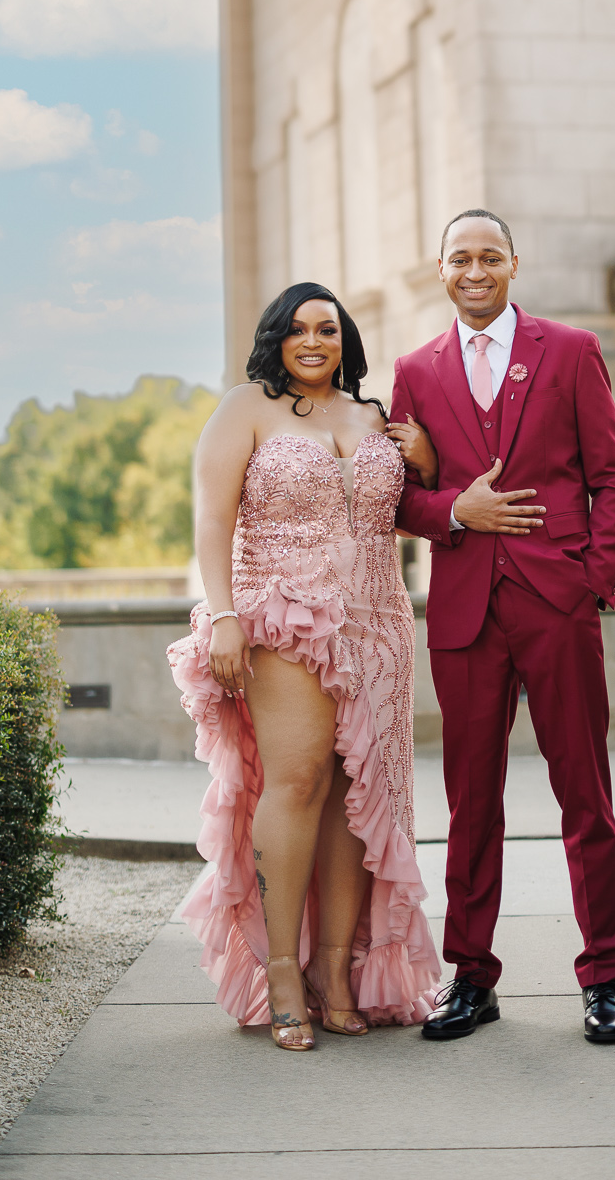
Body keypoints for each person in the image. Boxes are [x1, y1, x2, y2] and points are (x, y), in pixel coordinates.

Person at [168, 282, 440, 1049]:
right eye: (296, 330)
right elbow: (212, 518)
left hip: (378, 621)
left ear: (344, 338)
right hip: (282, 613)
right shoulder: (245, 409)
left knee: (359, 794)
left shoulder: (373, 418)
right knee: (296, 781)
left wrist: (425, 463)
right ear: (275, 340)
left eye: (326, 328)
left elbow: (406, 510)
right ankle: (282, 970)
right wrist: (224, 616)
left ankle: (336, 969)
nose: (312, 341)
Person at [391, 210, 615, 1046]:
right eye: (459, 258)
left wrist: (590, 581)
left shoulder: (569, 351)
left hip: (555, 604)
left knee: (584, 794)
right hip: (465, 610)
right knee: (470, 802)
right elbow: (398, 498)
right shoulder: (414, 372)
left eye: (488, 256)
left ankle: (604, 977)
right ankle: (470, 977)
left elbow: (614, 477)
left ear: (512, 264)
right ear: (440, 270)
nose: (474, 270)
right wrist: (453, 509)